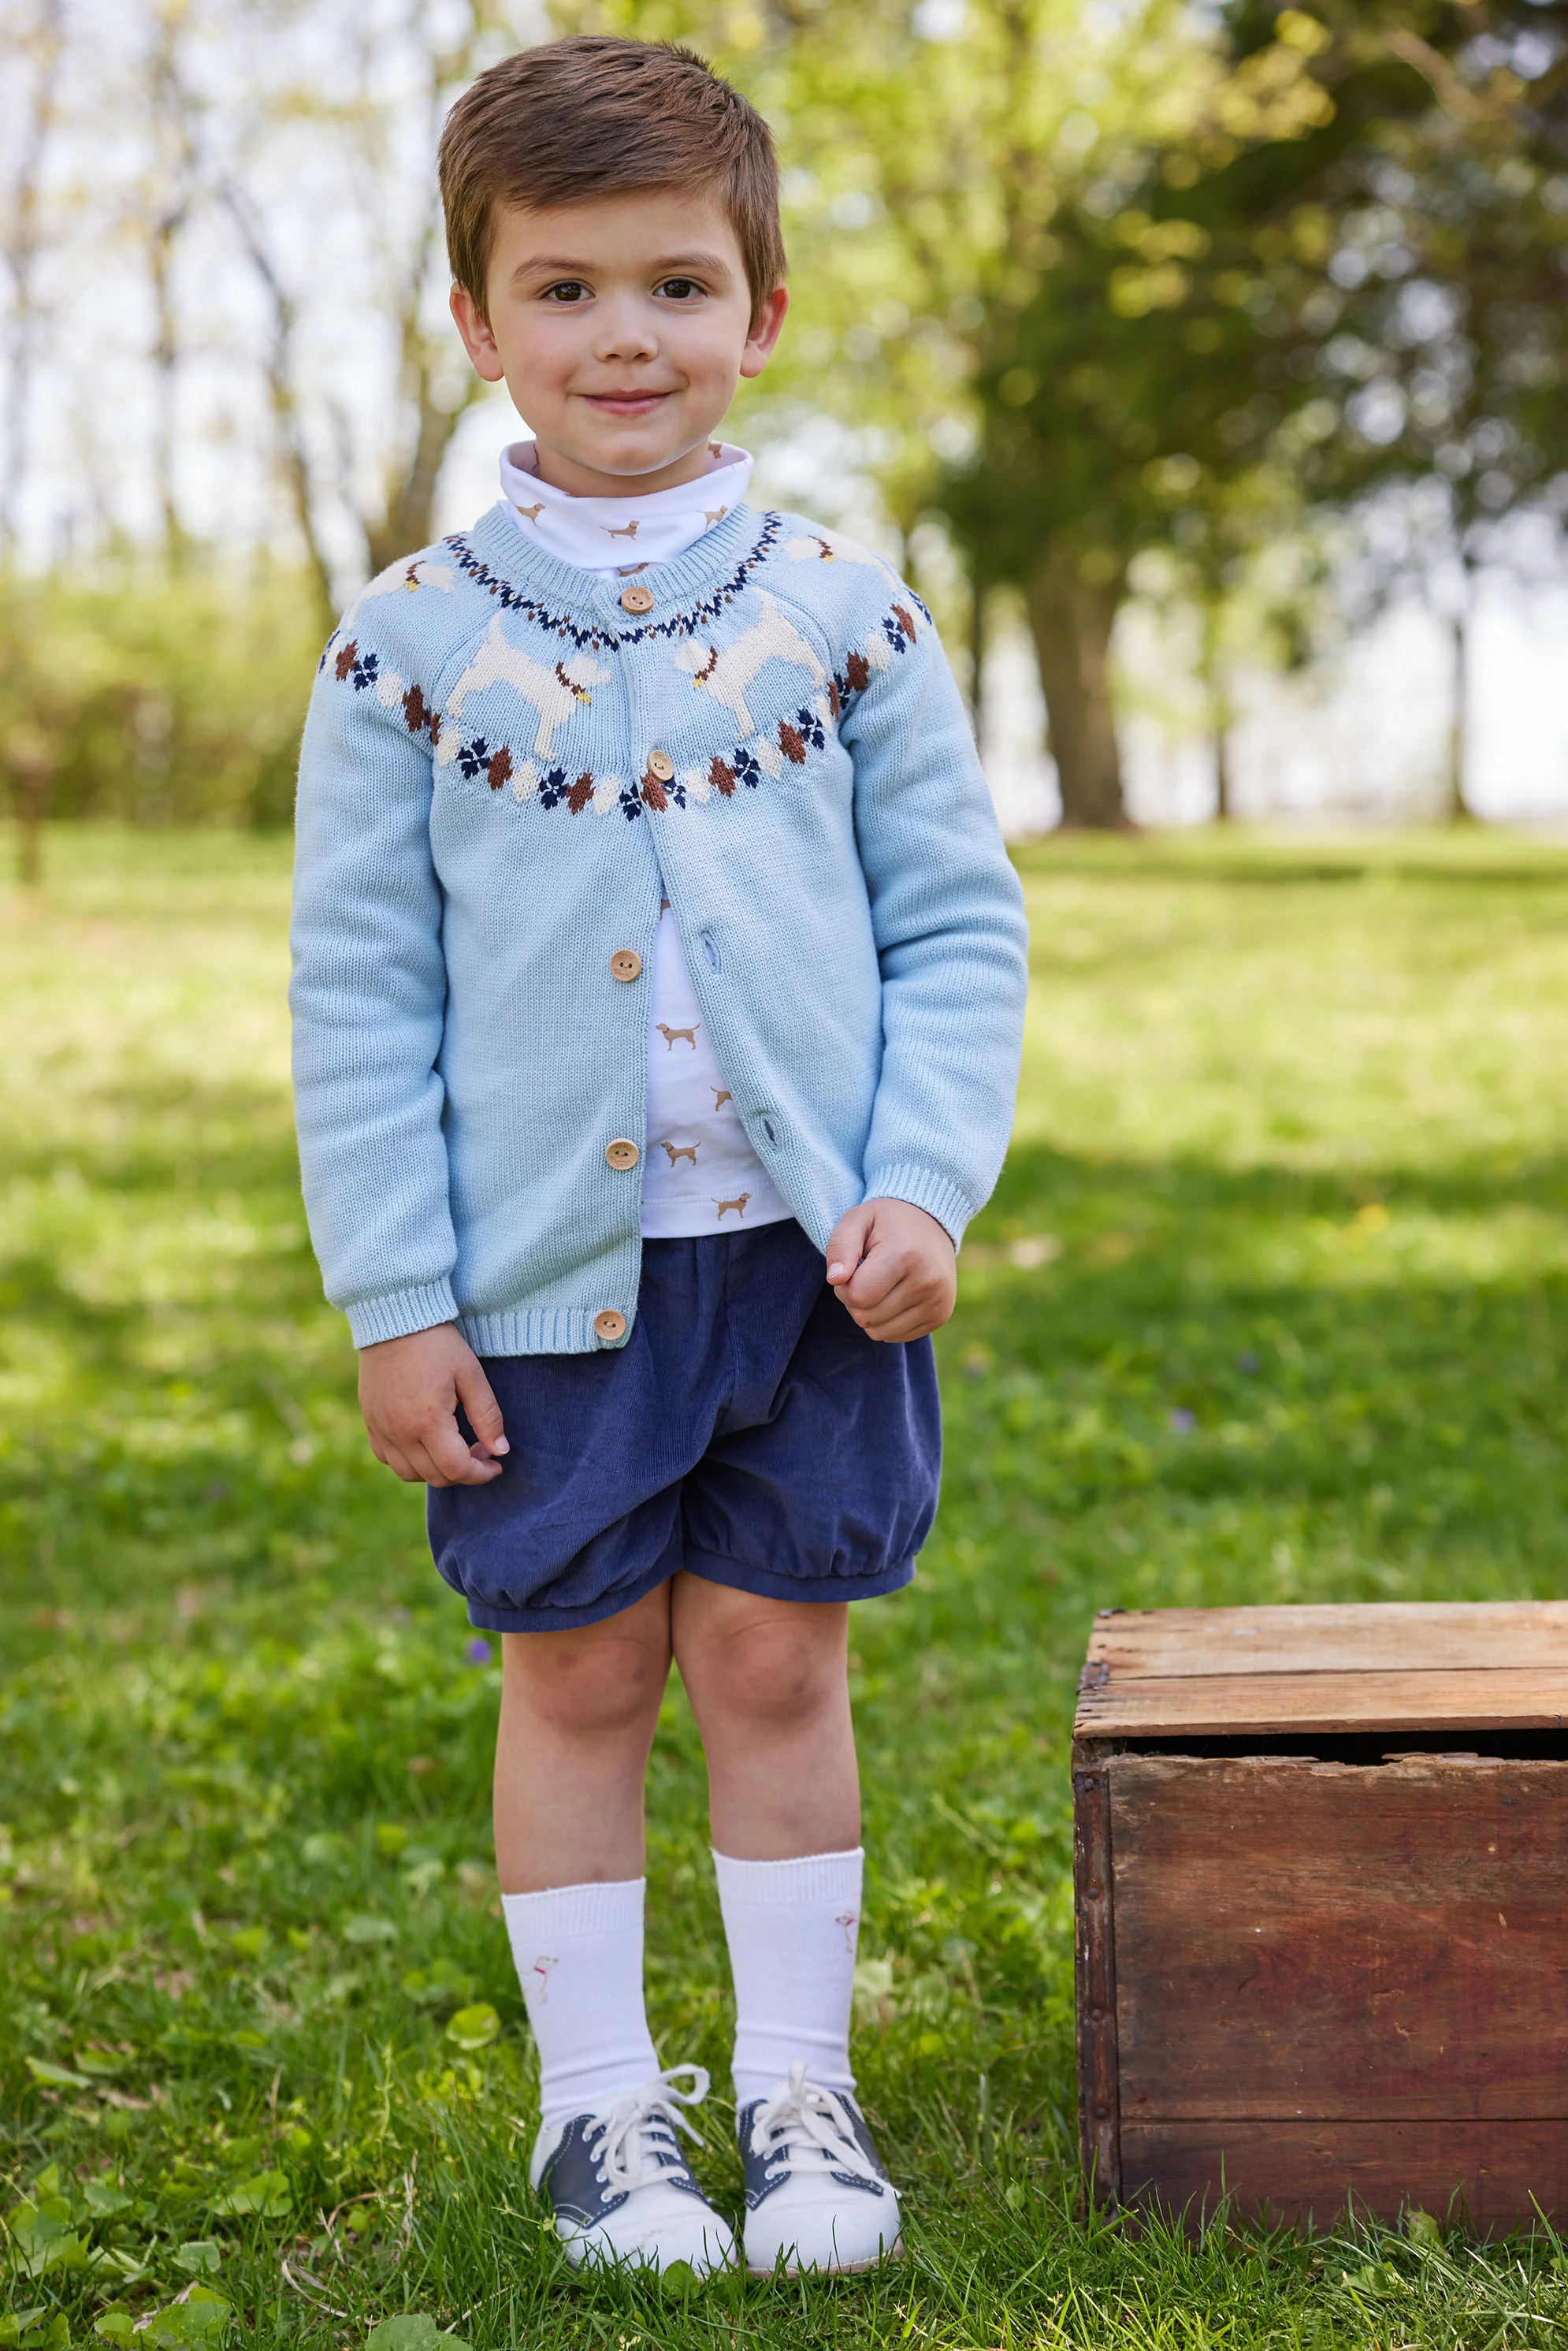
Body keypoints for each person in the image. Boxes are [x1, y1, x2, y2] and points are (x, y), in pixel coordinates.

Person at [289, 32, 1028, 2282]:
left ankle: (802, 2093)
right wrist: (397, 1297)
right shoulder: (404, 652)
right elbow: (355, 1000)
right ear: (477, 321)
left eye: (680, 286)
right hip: (541, 1285)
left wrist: (923, 1176)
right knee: (581, 1672)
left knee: (782, 1666)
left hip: (808, 1271)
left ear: (763, 312)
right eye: (569, 288)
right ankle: (604, 2111)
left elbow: (952, 921)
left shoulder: (847, 612)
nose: (629, 335)